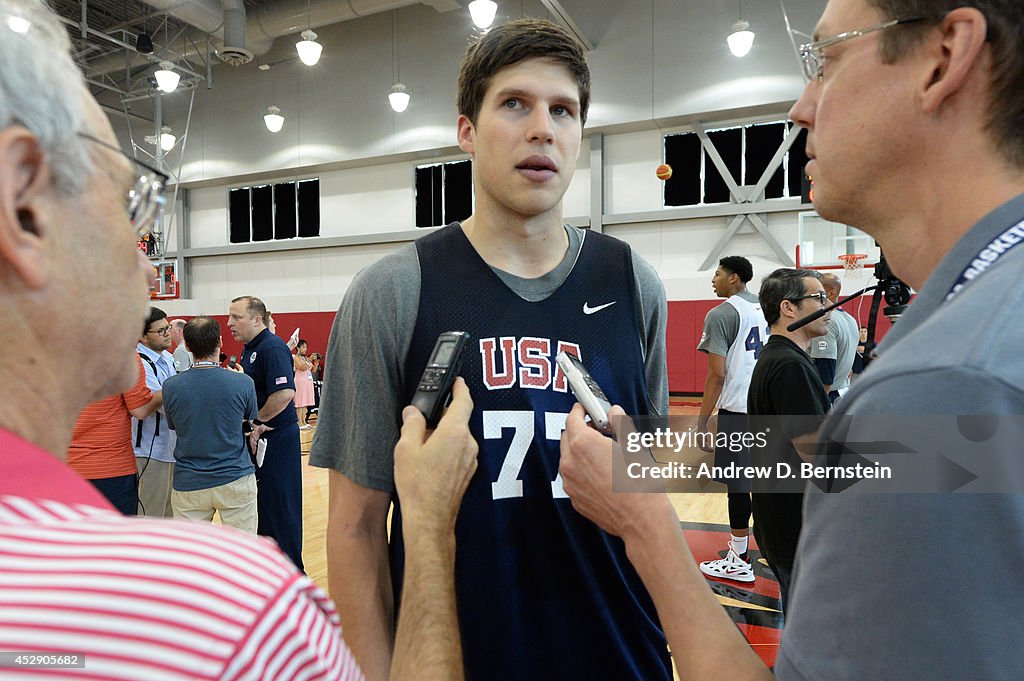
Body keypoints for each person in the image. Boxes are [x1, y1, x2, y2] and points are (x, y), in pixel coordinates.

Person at [0, 5, 479, 675]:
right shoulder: (232, 612)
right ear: (23, 202)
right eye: (128, 205)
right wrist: (427, 529)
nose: (147, 265)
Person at [559, 1, 1024, 678]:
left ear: (945, 56)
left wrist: (645, 523)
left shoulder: (942, 386)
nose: (800, 107)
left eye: (826, 61)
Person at [310, 18, 670, 681]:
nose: (543, 129)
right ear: (467, 131)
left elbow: (644, 484)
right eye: (515, 104)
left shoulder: (634, 284)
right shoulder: (392, 292)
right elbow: (357, 526)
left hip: (621, 654)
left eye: (563, 111)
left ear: (580, 136)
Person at [746, 268, 830, 611]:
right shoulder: (789, 366)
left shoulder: (779, 358)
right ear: (789, 308)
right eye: (820, 298)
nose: (829, 306)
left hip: (781, 522)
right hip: (795, 527)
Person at [695, 255, 767, 584]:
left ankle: (739, 558)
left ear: (734, 278)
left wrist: (701, 422)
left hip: (738, 412)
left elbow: (717, 376)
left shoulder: (721, 314)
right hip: (771, 408)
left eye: (718, 273)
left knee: (738, 488)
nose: (714, 279)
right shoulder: (771, 307)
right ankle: (774, 550)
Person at [227, 295, 304, 570]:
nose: (229, 323)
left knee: (281, 507)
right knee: (264, 509)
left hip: (276, 438)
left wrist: (257, 422)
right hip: (260, 438)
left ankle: (292, 573)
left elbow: (284, 393)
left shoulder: (271, 348)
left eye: (236, 317)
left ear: (257, 319)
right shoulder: (250, 348)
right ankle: (269, 571)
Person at [163, 316, 260, 533]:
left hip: (189, 482)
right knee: (243, 553)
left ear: (186, 346)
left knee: (190, 555)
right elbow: (249, 418)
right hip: (234, 476)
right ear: (220, 341)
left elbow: (174, 425)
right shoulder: (243, 382)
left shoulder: (170, 386)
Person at [68, 354, 157, 514]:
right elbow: (140, 410)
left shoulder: (54, 355)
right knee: (115, 535)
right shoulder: (123, 356)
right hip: (113, 467)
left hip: (67, 466)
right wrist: (166, 392)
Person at [133, 305, 177, 517]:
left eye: (168, 327)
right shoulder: (139, 362)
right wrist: (180, 387)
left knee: (170, 513)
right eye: (161, 331)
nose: (168, 333)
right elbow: (154, 404)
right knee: (151, 513)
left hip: (170, 447)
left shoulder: (167, 358)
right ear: (142, 336)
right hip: (149, 449)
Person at [808, 273, 859, 403]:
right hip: (843, 393)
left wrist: (817, 405)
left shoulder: (826, 321)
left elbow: (825, 371)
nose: (813, 296)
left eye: (819, 291)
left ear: (831, 293)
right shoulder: (851, 320)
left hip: (829, 397)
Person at [293, 339, 316, 429]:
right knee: (300, 402)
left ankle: (303, 421)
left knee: (305, 402)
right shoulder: (295, 357)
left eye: (306, 347)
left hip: (307, 382)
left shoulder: (306, 358)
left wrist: (316, 363)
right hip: (300, 381)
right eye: (303, 347)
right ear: (298, 348)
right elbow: (302, 367)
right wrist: (310, 359)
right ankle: (299, 422)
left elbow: (312, 370)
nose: (305, 349)